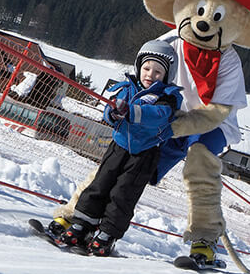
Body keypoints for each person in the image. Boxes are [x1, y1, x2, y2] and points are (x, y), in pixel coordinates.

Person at [48, 40, 182, 256]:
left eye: (158, 72)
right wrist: (112, 113)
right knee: (99, 185)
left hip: (143, 155)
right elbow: (110, 108)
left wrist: (132, 112)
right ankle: (83, 224)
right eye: (146, 68)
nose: (150, 74)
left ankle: (107, 234)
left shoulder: (167, 97)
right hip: (118, 147)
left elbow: (158, 117)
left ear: (166, 76)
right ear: (139, 68)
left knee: (123, 194)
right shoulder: (128, 88)